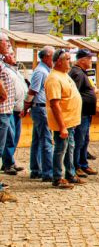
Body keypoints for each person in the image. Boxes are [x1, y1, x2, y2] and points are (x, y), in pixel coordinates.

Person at [45, 49, 83, 189]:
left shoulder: (64, 74)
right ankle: (57, 177)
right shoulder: (54, 78)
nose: (70, 61)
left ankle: (70, 174)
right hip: (63, 122)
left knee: (69, 148)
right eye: (67, 59)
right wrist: (62, 127)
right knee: (60, 149)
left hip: (70, 121)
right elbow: (54, 104)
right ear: (59, 61)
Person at [25, 46, 55, 182]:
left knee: (37, 140)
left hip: (40, 108)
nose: (54, 59)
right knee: (46, 140)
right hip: (40, 108)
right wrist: (25, 107)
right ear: (46, 57)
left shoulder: (45, 70)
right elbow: (32, 91)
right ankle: (47, 172)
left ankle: (36, 169)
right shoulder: (40, 71)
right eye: (53, 56)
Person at [69, 49, 98, 178]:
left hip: (86, 113)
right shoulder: (77, 73)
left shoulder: (81, 72)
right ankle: (76, 166)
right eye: (89, 59)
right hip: (81, 113)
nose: (91, 61)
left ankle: (83, 163)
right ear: (82, 60)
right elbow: (74, 94)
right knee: (79, 140)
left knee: (84, 139)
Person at [1, 51, 27, 174]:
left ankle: (9, 161)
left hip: (18, 108)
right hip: (9, 108)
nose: (13, 57)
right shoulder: (5, 70)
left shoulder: (15, 70)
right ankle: (8, 163)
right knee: (9, 137)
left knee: (15, 136)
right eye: (11, 54)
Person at [0, 32, 17, 202]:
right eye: (6, 42)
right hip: (1, 110)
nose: (8, 45)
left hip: (6, 111)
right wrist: (3, 92)